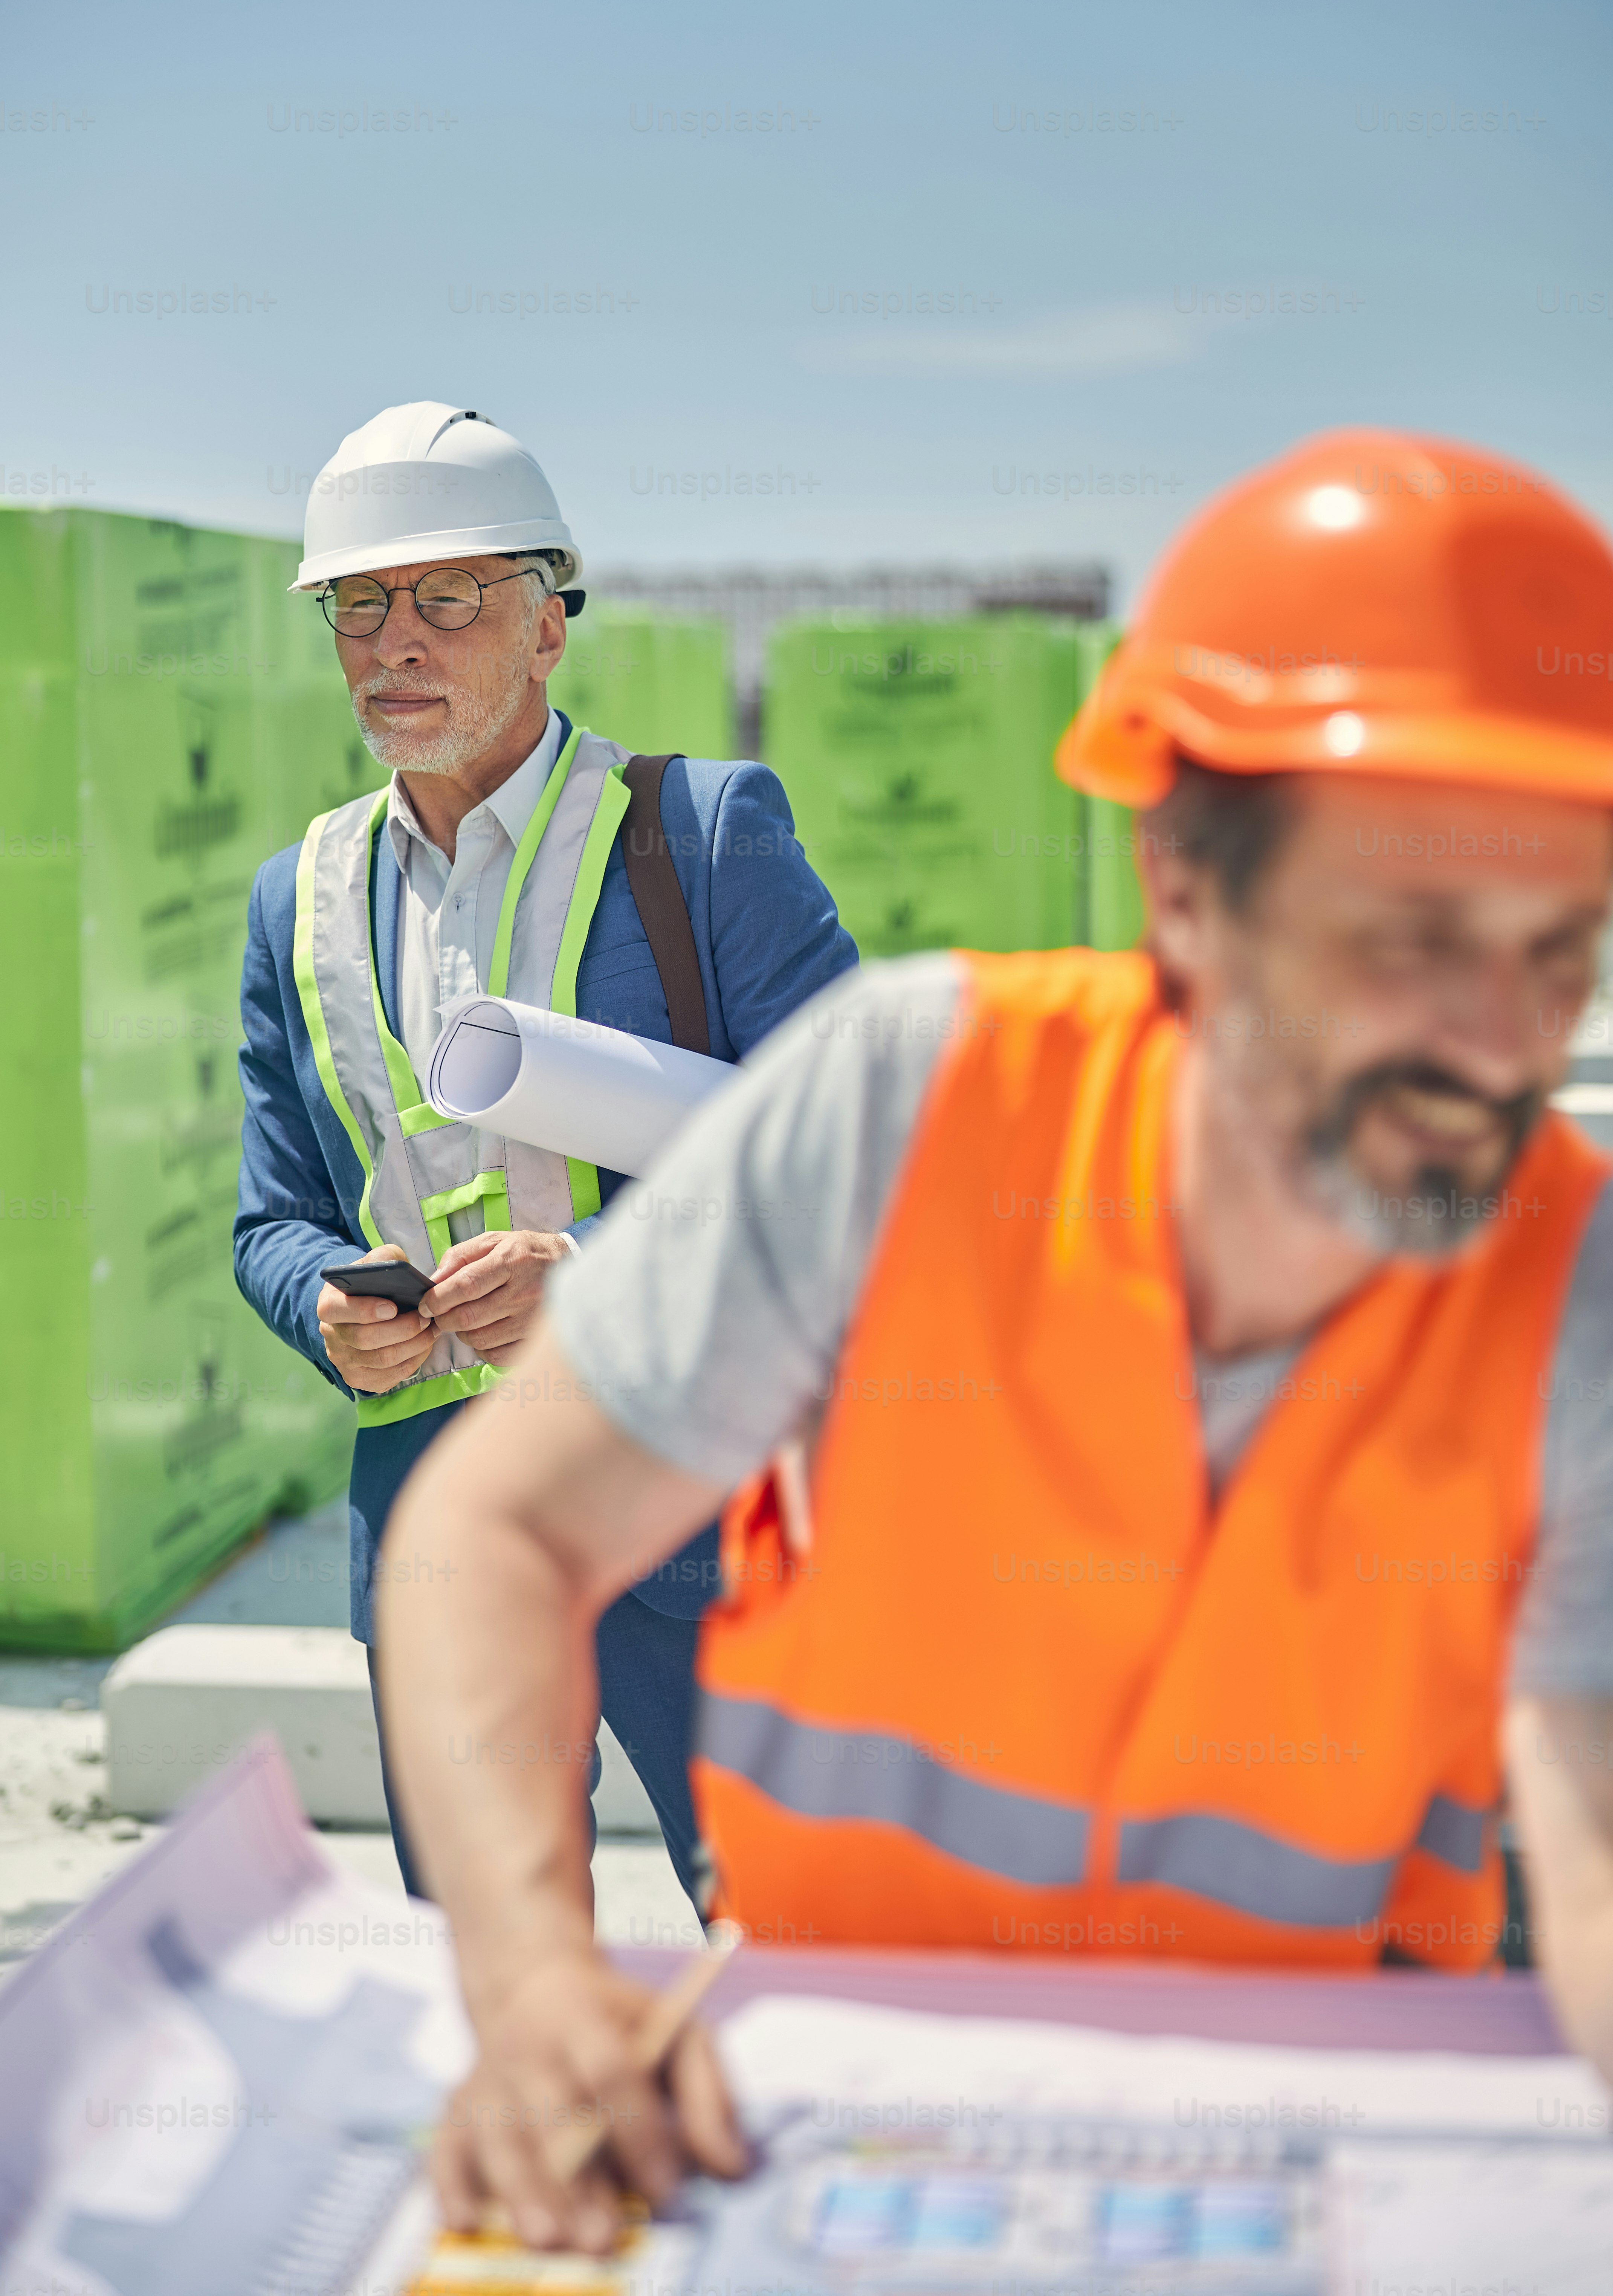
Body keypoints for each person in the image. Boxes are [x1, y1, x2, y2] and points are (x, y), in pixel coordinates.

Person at [377, 426, 1613, 2248]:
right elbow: (496, 1531)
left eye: (1559, 953)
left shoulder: (1567, 1282)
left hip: (1309, 2154)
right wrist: (540, 1981)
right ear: (1184, 884)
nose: (1499, 1047)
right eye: (1412, 942)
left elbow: (1587, 1776)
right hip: (830, 2118)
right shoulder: (918, 1106)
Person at [233, 400, 856, 1900]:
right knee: (489, 1957)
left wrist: (595, 1276)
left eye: (448, 598)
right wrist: (322, 1304)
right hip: (436, 1525)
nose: (397, 642)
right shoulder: (295, 896)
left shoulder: (705, 835)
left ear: (549, 620)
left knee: (789, 1923)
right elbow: (272, 1218)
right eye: (362, 605)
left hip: (688, 1490)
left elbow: (856, 1152)